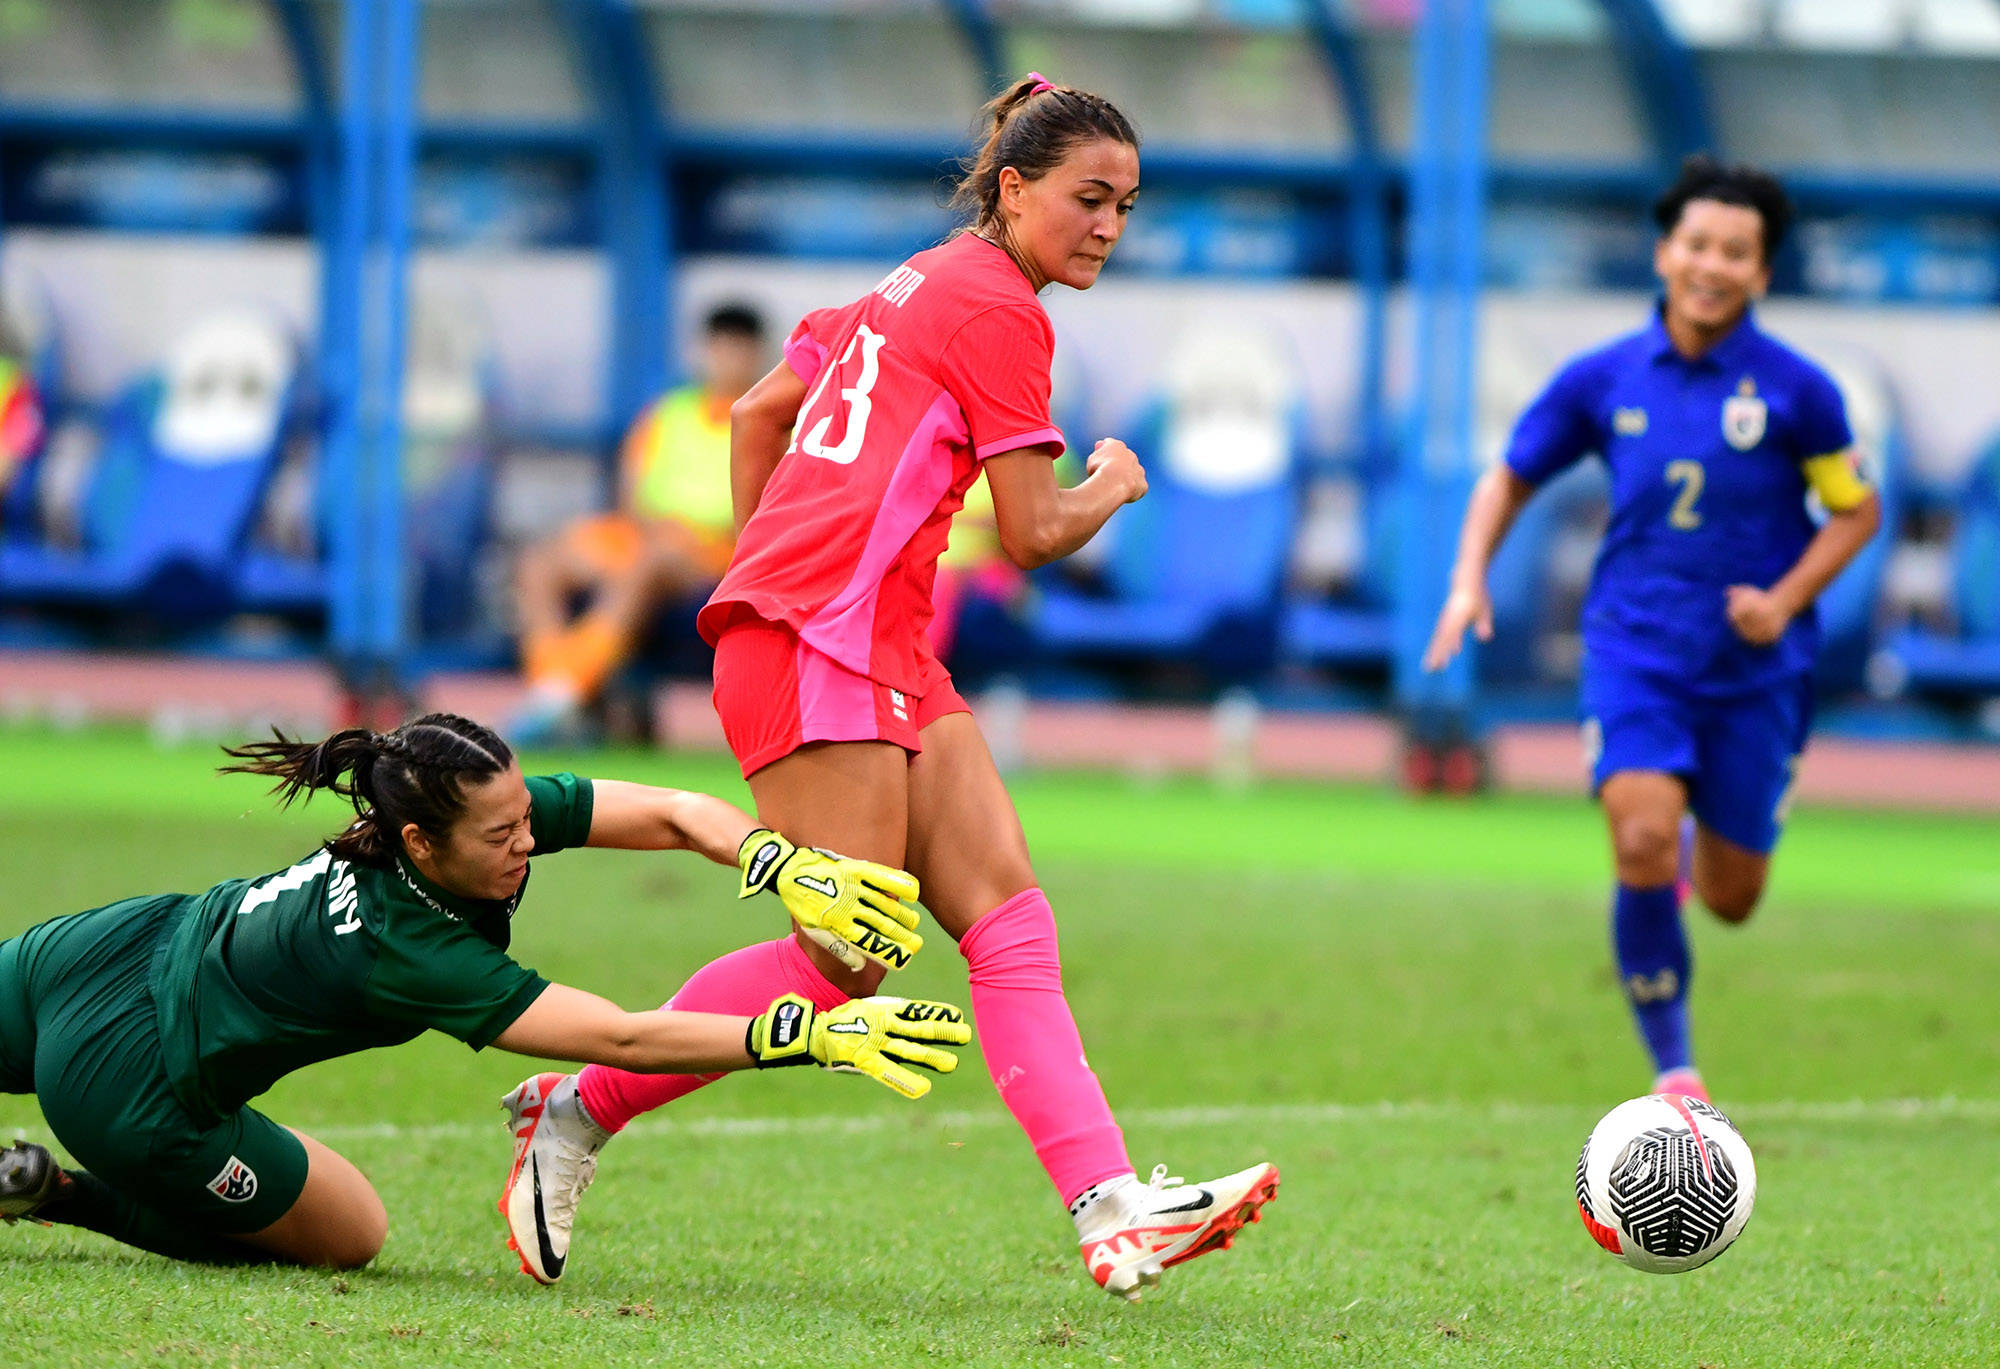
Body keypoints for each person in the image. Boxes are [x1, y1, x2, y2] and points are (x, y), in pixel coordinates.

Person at [498, 74, 1278, 1304]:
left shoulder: (908, 282)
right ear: (1013, 188)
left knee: (1007, 916)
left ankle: (1110, 1205)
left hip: (871, 639)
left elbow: (764, 408)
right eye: (1088, 199)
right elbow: (1027, 531)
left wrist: (760, 568)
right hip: (818, 644)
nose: (1108, 228)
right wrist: (1116, 482)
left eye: (1125, 206)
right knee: (845, 959)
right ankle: (574, 1109)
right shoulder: (1002, 314)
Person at [0, 713, 967, 1277]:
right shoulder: (409, 944)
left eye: (524, 818)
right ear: (421, 843)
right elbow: (622, 1038)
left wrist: (781, 863)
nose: (524, 841)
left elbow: (674, 810)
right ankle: (58, 1193)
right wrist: (816, 1038)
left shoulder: (454, 813)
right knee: (351, 1233)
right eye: (500, 835)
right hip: (133, 1081)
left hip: (93, 947)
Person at [1424, 156, 1882, 1103]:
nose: (1712, 265)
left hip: (1756, 667)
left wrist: (1786, 598)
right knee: (1639, 841)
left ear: (1761, 273)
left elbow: (1855, 510)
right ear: (1666, 252)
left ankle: (1698, 833)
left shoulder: (1798, 391)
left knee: (1731, 897)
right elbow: (1508, 476)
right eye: (1698, 244)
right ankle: (1676, 1071)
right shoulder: (1603, 377)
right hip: (1635, 648)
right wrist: (1468, 580)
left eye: (1737, 252)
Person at [510, 304, 767, 742]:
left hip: (718, 553)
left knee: (644, 566)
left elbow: (767, 507)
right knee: (540, 563)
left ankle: (560, 695)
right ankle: (553, 684)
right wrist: (650, 528)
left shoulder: (769, 416)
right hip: (650, 535)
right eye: (719, 348)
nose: (727, 360)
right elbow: (631, 496)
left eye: (738, 350)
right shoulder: (667, 415)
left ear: (757, 355)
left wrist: (687, 536)